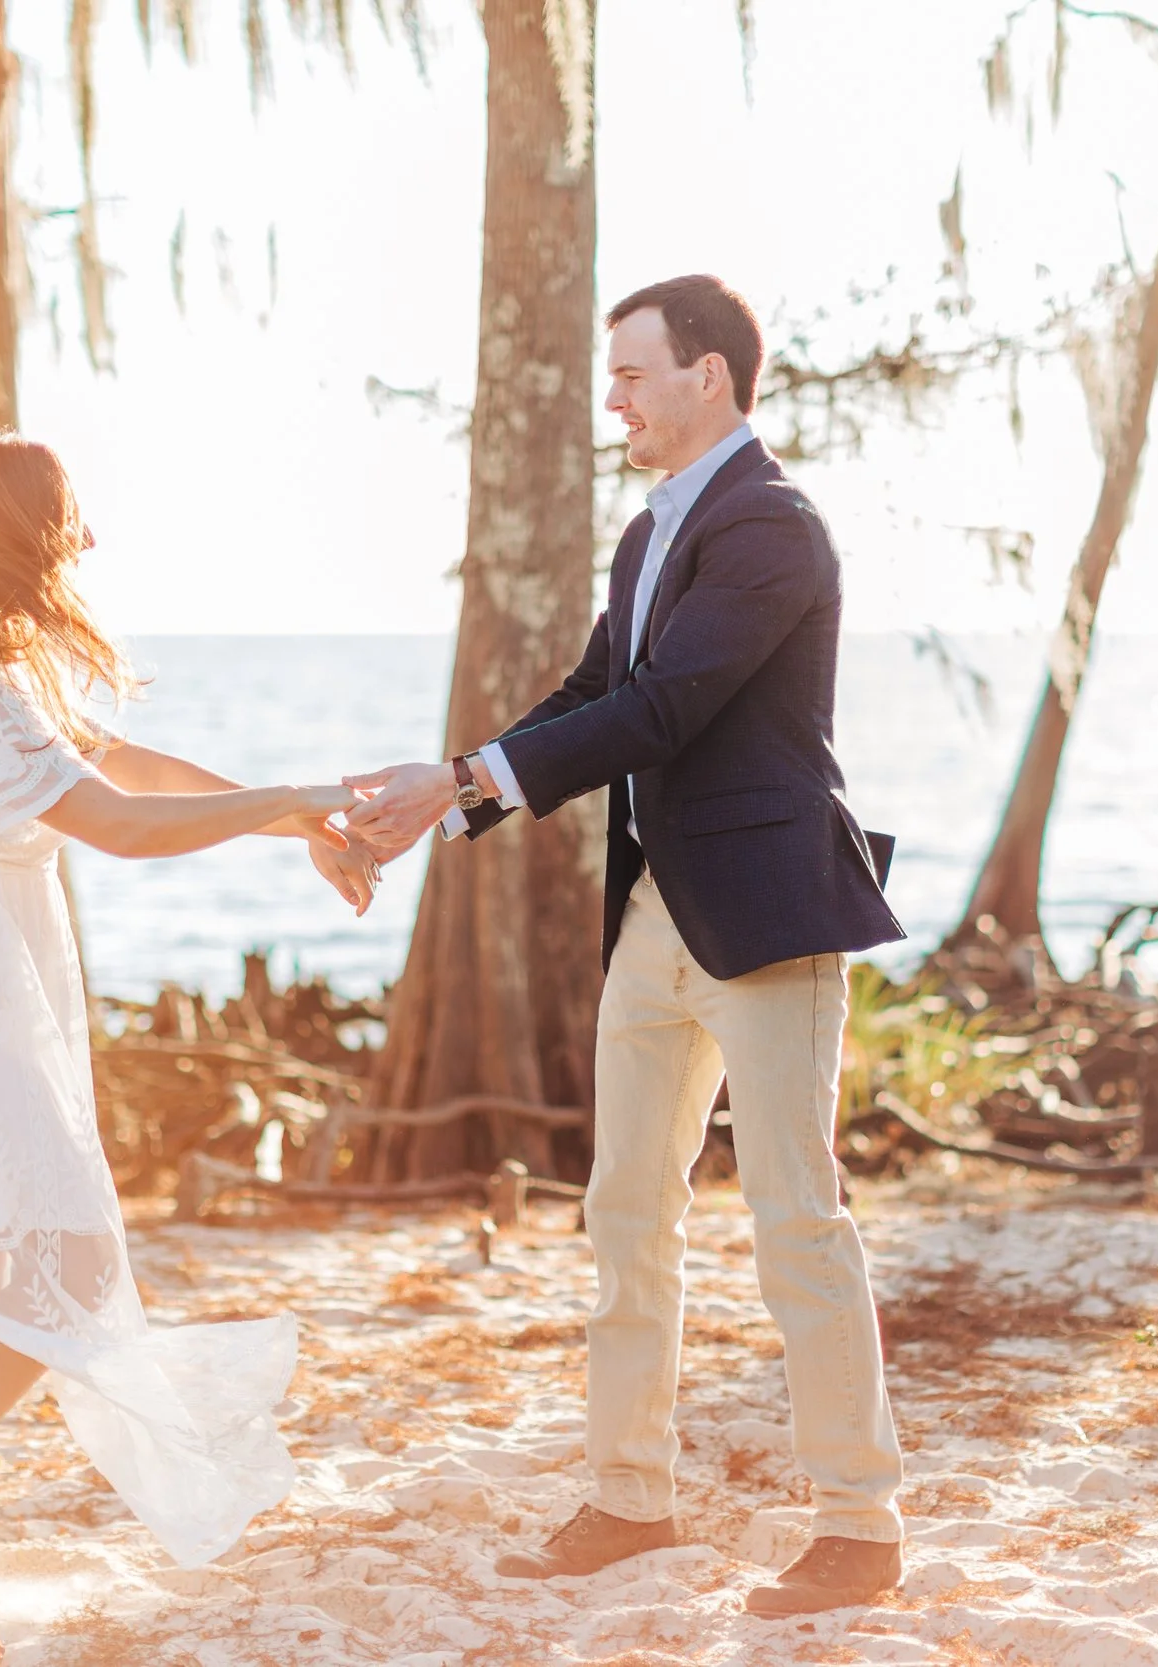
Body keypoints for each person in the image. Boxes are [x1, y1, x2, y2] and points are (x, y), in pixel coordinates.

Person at [345, 274, 910, 1618]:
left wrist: (467, 774)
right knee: (625, 1213)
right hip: (654, 912)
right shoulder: (651, 529)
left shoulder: (774, 525)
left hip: (767, 914)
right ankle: (627, 1496)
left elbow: (665, 708)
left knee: (796, 1216)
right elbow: (595, 689)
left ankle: (860, 1522)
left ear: (709, 375)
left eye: (634, 373)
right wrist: (451, 792)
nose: (615, 399)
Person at [0, 432, 375, 1615]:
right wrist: (299, 798)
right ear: (11, 533)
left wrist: (298, 825)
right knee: (61, 1259)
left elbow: (123, 768)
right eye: (68, 519)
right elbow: (114, 823)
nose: (88, 541)